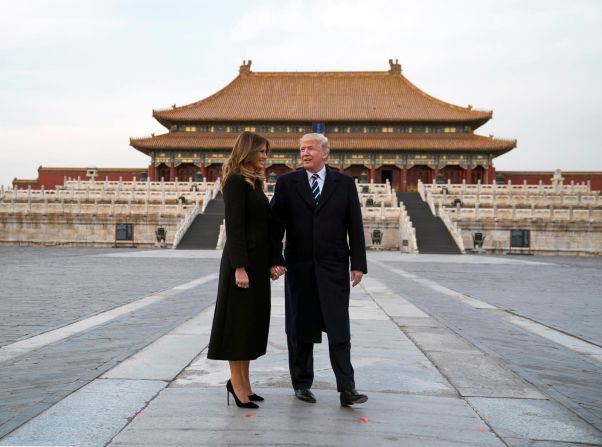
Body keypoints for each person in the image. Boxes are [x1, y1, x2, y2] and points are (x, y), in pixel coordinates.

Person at [269, 133, 369, 407]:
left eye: (310, 148)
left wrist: (358, 263)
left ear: (325, 153)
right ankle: (301, 384)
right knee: (300, 328)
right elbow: (275, 226)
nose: (305, 153)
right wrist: (275, 258)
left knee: (339, 329)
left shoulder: (345, 183)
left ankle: (347, 388)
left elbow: (355, 225)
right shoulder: (287, 183)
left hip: (334, 267)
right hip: (299, 268)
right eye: (301, 149)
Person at [207, 131, 271, 409]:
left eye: (266, 152)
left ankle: (244, 383)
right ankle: (236, 384)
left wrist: (268, 262)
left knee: (250, 326)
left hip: (256, 262)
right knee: (237, 326)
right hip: (241, 264)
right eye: (261, 152)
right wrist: (240, 267)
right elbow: (234, 227)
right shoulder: (235, 182)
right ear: (247, 152)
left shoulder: (254, 183)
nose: (265, 157)